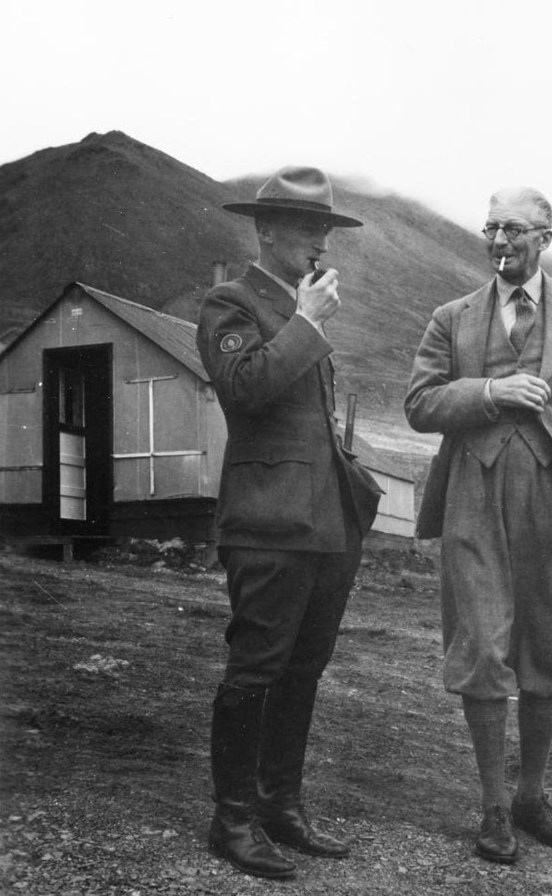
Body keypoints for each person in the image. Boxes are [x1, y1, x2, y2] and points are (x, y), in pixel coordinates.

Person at [404, 187, 552, 865]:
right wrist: (489, 392)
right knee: (482, 645)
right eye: (490, 229)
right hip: (473, 496)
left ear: (545, 236)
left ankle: (532, 796)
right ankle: (493, 808)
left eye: (513, 230)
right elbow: (419, 402)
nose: (499, 241)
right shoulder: (451, 318)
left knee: (548, 647)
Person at [196, 166, 382, 880]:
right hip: (267, 523)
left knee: (303, 669)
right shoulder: (229, 301)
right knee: (256, 669)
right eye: (308, 230)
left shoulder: (303, 304)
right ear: (266, 230)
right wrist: (306, 324)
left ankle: (280, 805)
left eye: (326, 232)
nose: (320, 245)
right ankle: (233, 818)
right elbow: (245, 392)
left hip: (326, 523)